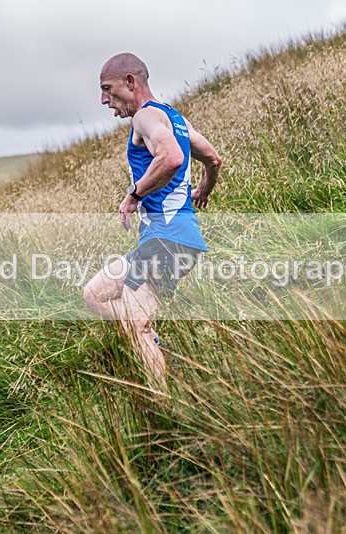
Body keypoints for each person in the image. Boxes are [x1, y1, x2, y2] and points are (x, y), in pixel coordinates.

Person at [83, 52, 222, 391]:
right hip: (167, 240)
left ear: (130, 81)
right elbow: (214, 158)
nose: (104, 100)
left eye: (107, 89)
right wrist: (204, 186)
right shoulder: (173, 118)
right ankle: (152, 342)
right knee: (94, 294)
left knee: (135, 325)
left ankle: (164, 403)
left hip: (167, 240)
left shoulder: (145, 117)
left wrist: (134, 194)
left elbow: (172, 158)